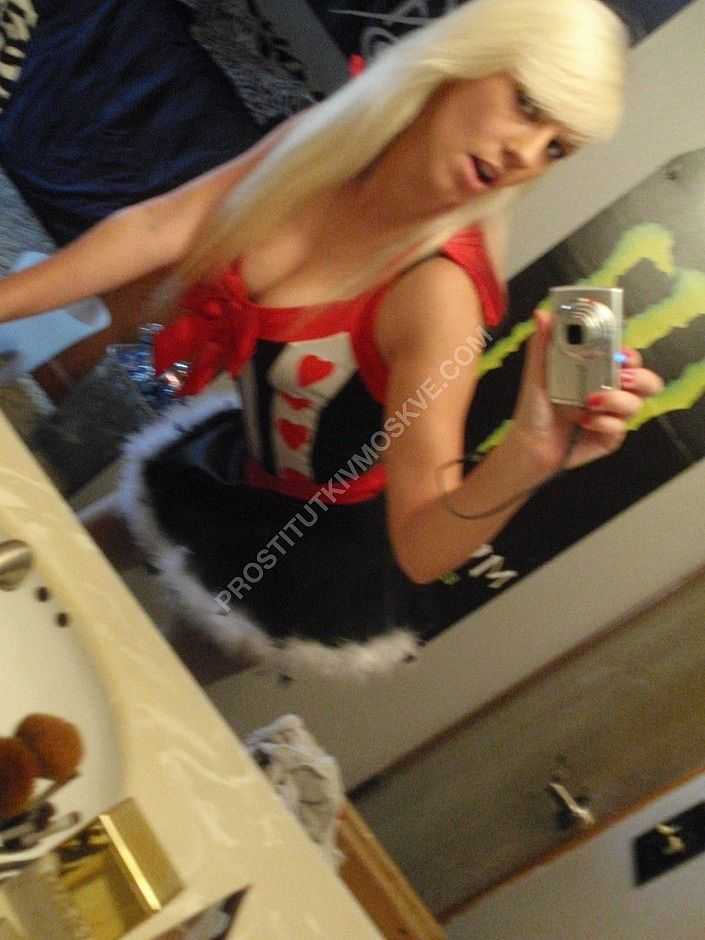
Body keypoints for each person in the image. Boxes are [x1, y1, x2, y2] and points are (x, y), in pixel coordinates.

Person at [0, 0, 662, 679]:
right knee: (40, 562)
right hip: (238, 458)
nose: (525, 153)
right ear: (473, 54)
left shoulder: (439, 296)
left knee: (135, 685)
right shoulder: (333, 143)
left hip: (309, 553)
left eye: (555, 148)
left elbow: (419, 545)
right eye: (526, 104)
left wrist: (533, 451)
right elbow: (159, 227)